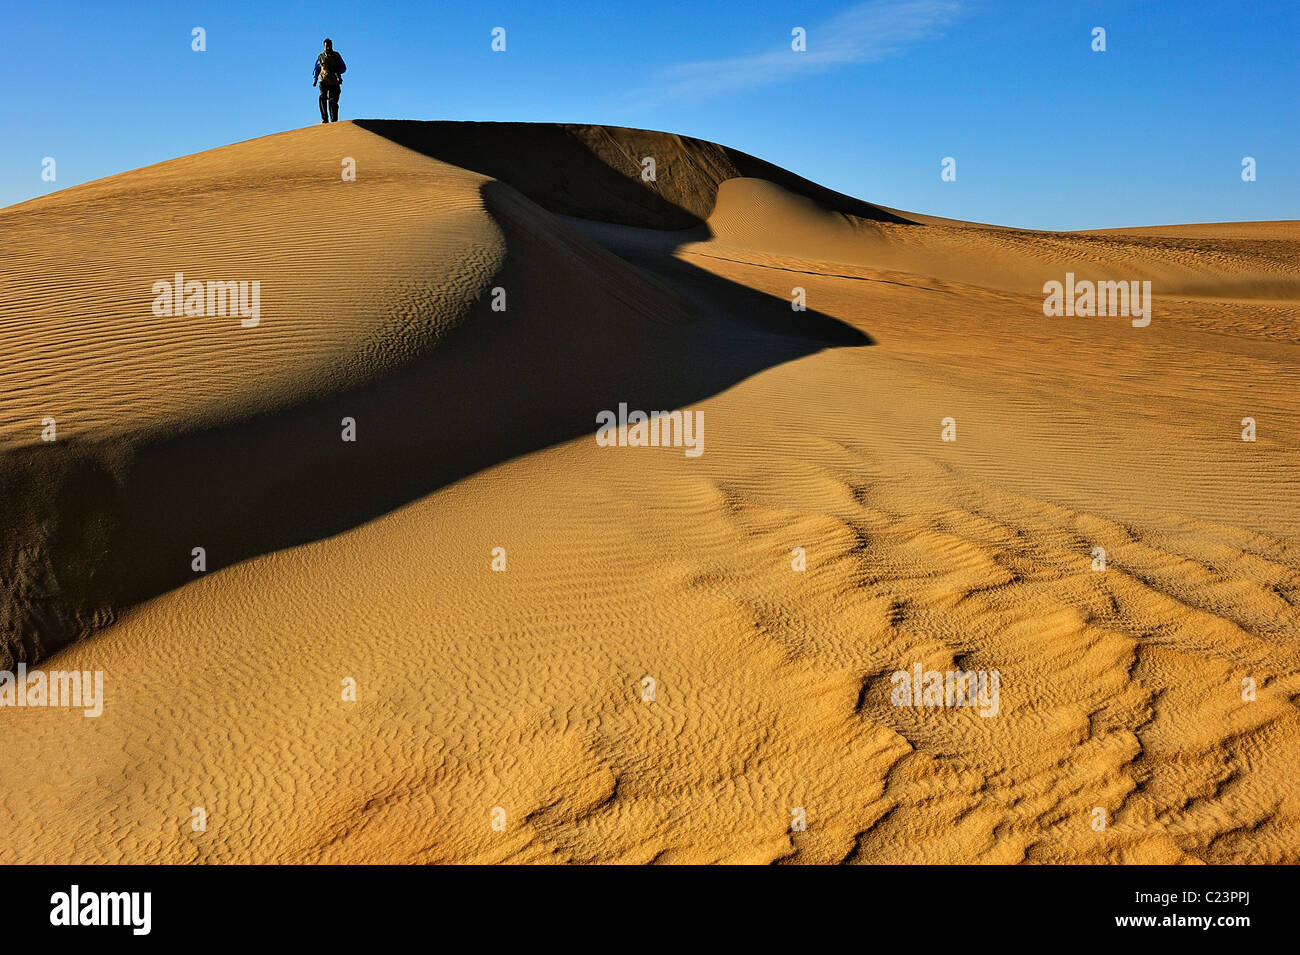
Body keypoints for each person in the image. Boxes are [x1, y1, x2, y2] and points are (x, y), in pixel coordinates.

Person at [312, 38, 347, 123]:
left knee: (333, 101)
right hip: (323, 80)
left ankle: (334, 120)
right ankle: (325, 118)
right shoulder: (320, 56)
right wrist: (315, 80)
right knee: (322, 97)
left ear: (332, 46)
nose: (328, 47)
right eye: (326, 46)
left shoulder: (336, 55)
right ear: (324, 46)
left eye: (329, 45)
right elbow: (316, 69)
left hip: (334, 81)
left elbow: (343, 67)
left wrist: (337, 71)